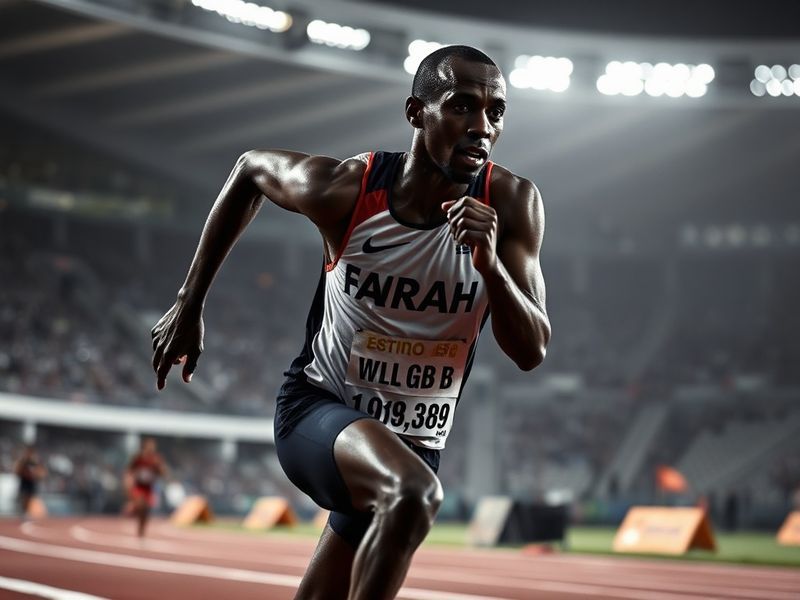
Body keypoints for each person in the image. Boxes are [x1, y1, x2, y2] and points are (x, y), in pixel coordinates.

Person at [151, 45, 550, 599]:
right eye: (461, 107)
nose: (481, 127)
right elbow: (249, 169)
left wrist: (492, 268)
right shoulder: (348, 190)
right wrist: (189, 303)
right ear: (417, 113)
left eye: (496, 112)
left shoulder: (510, 203)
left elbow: (531, 350)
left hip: (413, 440)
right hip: (320, 412)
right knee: (414, 495)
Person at [125, 437, 167, 537]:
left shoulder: (156, 459)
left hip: (149, 488)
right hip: (138, 486)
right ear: (145, 447)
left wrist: (159, 467)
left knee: (146, 510)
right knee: (141, 504)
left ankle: (141, 528)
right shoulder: (138, 458)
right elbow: (129, 470)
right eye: (149, 447)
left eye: (153, 447)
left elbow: (163, 473)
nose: (151, 449)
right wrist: (128, 481)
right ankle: (134, 507)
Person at [14, 444, 46, 519]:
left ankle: (27, 512)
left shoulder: (36, 462)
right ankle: (23, 512)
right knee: (24, 497)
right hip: (24, 481)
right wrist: (24, 473)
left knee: (30, 497)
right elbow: (17, 470)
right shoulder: (23, 461)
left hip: (32, 482)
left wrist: (36, 474)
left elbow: (42, 472)